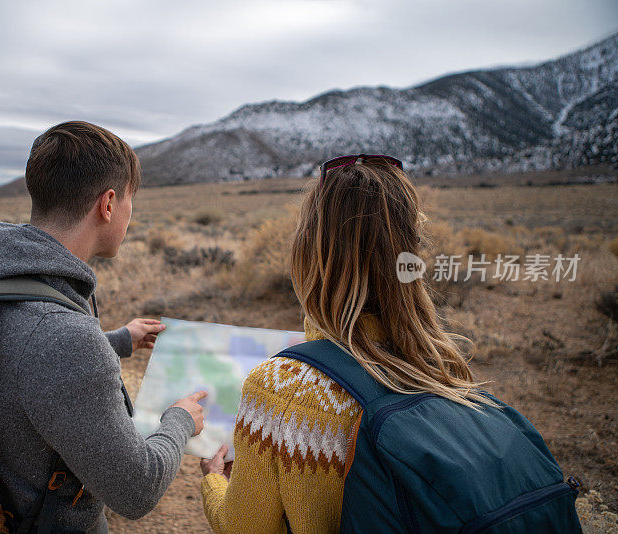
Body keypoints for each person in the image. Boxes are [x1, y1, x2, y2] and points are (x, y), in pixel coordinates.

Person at [198, 155, 495, 532]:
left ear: (310, 251)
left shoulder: (280, 389)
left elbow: (244, 528)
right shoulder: (444, 366)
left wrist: (213, 480)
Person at [0, 120, 206, 532]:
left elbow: (19, 359)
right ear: (108, 205)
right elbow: (136, 490)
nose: (130, 212)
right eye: (129, 199)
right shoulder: (60, 335)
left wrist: (120, 340)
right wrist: (179, 419)